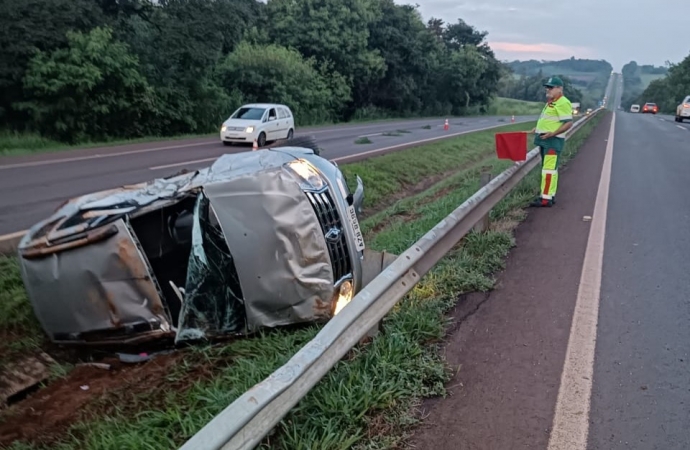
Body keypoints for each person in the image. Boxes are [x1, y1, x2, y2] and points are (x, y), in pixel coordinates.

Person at [529, 76, 573, 207]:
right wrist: (537, 128)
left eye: (551, 87)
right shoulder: (551, 102)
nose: (548, 90)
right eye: (547, 87)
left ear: (560, 89)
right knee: (549, 169)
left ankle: (545, 199)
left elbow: (568, 123)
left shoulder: (563, 102)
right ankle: (549, 195)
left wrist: (552, 133)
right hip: (545, 140)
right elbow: (550, 120)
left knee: (548, 170)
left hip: (552, 141)